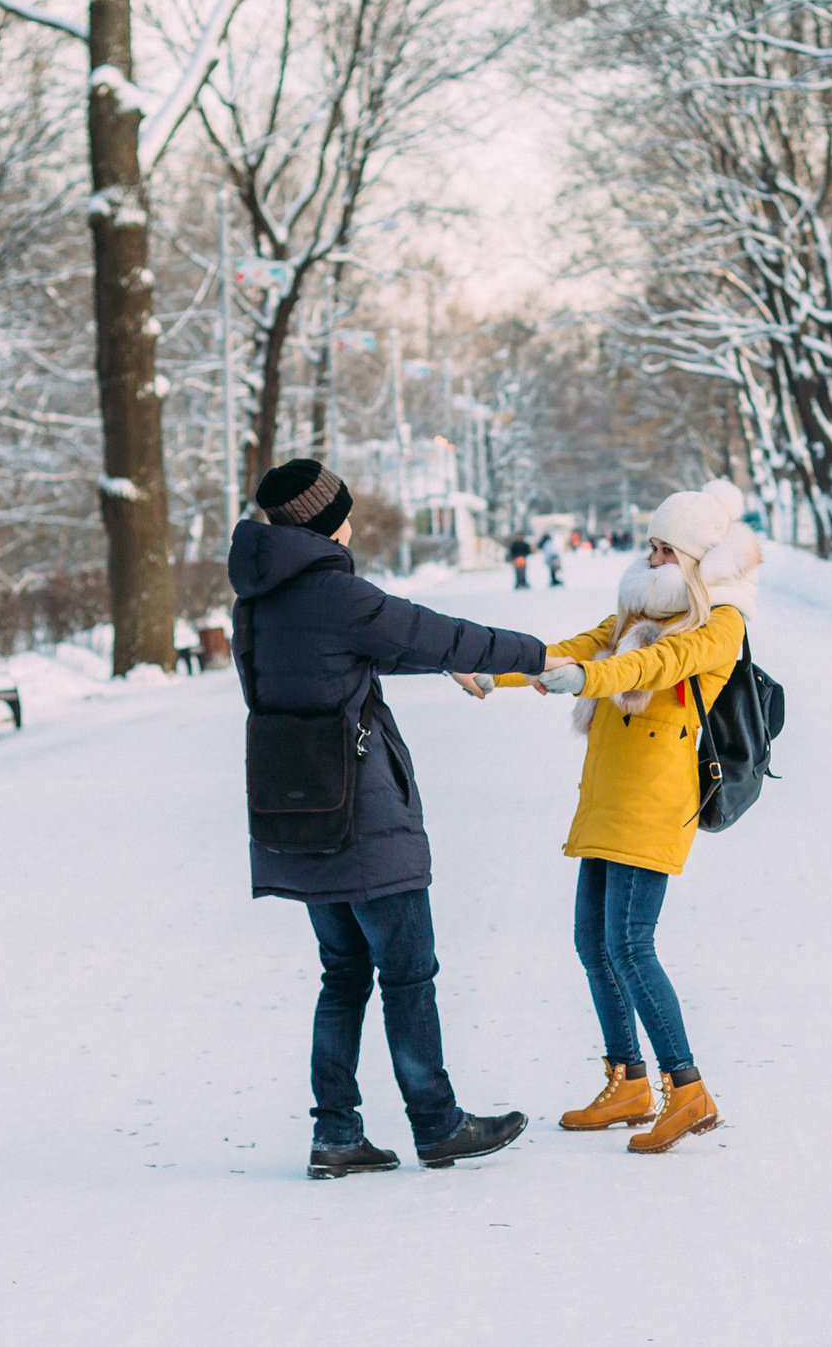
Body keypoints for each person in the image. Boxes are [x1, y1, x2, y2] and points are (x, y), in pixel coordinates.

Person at [231, 459, 546, 1180]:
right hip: (364, 815)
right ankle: (437, 1123)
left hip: (299, 812)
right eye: (345, 511)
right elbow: (432, 630)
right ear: (323, 521)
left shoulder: (257, 600)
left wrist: (435, 665)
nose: (353, 522)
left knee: (342, 974)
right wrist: (532, 655)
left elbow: (341, 661)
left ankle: (336, 1133)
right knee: (408, 972)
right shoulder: (336, 593)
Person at [456, 479, 758, 1155]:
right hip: (608, 794)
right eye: (649, 546)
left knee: (630, 943)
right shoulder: (633, 610)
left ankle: (688, 1088)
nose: (648, 560)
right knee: (592, 941)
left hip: (656, 800)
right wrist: (489, 669)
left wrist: (589, 679)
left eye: (662, 549)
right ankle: (628, 1080)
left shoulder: (720, 623)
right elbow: (572, 647)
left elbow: (655, 662)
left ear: (693, 558)